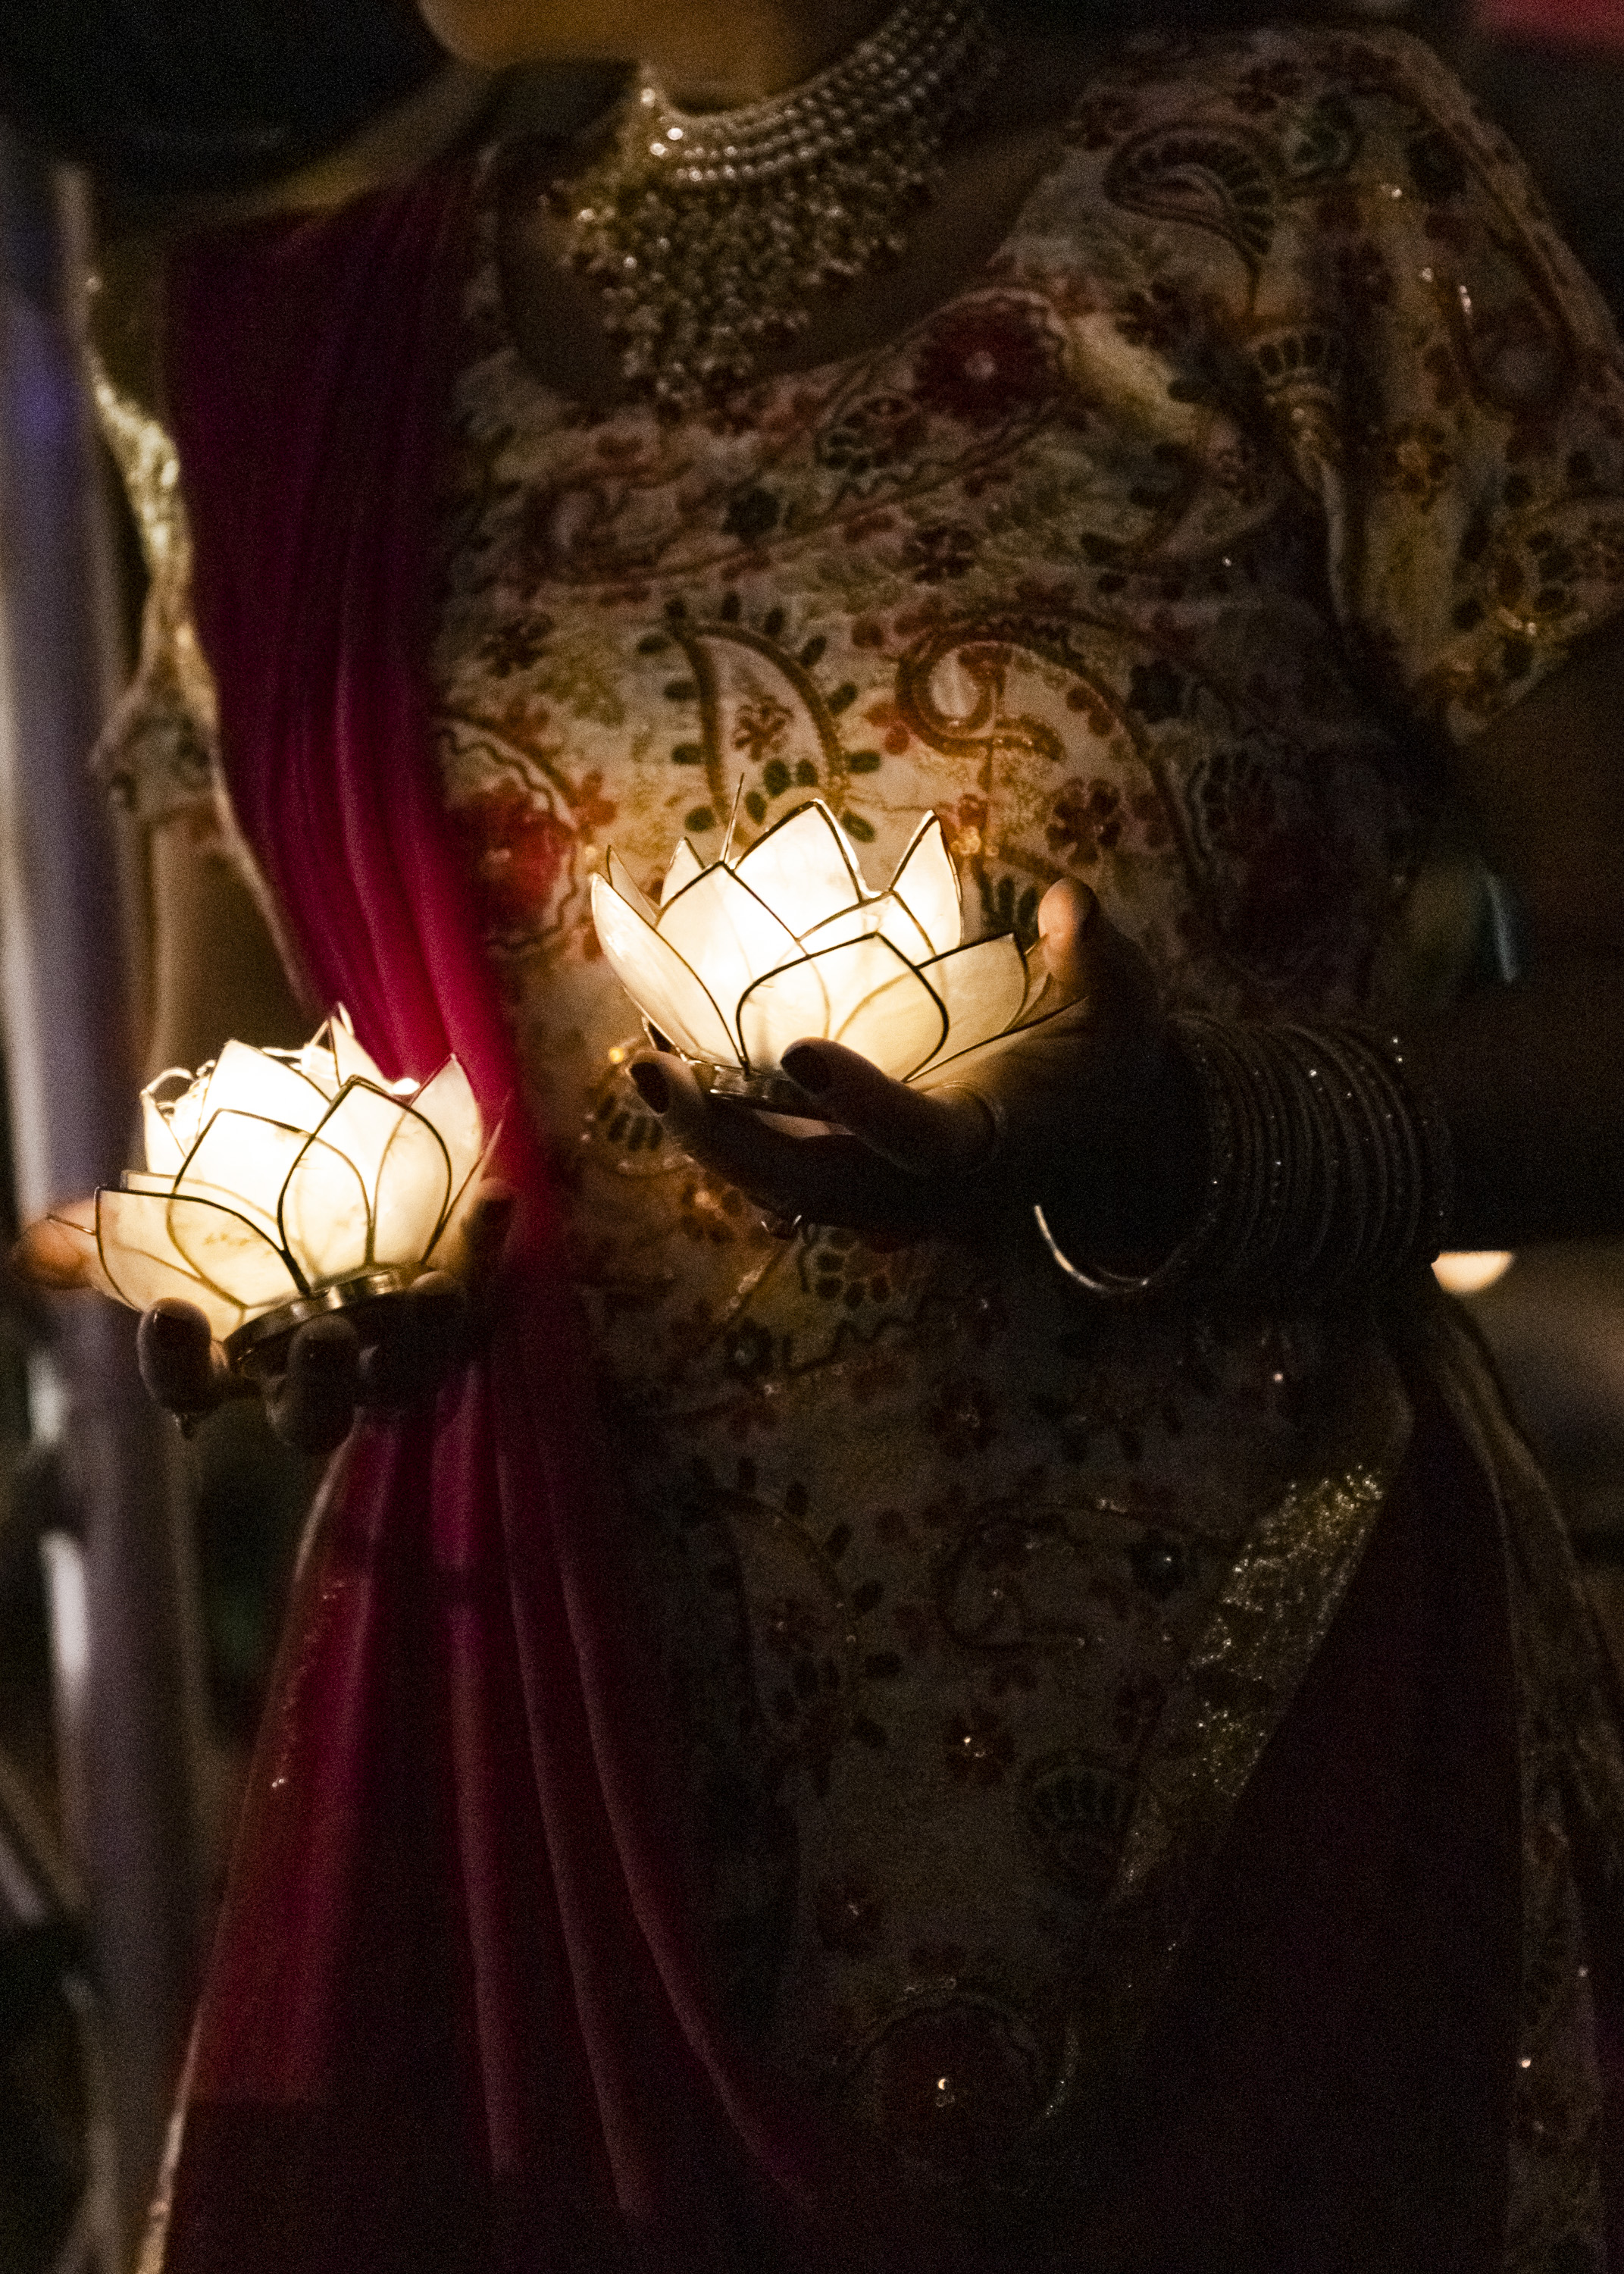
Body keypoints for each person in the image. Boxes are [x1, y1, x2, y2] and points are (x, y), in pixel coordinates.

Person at [14, 0, 1624, 2265]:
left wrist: (1178, 1143)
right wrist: (303, 1275)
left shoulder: (1275, 192)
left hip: (1232, 1771)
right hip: (544, 1803)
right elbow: (263, 1083)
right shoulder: (304, 355)